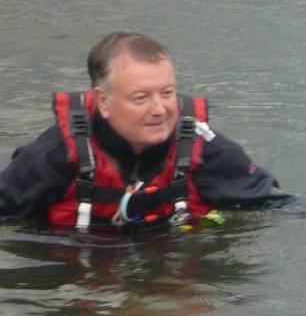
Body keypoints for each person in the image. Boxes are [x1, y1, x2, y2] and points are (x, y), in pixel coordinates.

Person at [0, 32, 288, 229]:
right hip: (76, 278)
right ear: (103, 101)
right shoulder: (53, 156)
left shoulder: (208, 151)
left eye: (167, 93)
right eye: (141, 98)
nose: (160, 109)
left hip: (169, 272)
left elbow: (281, 206)